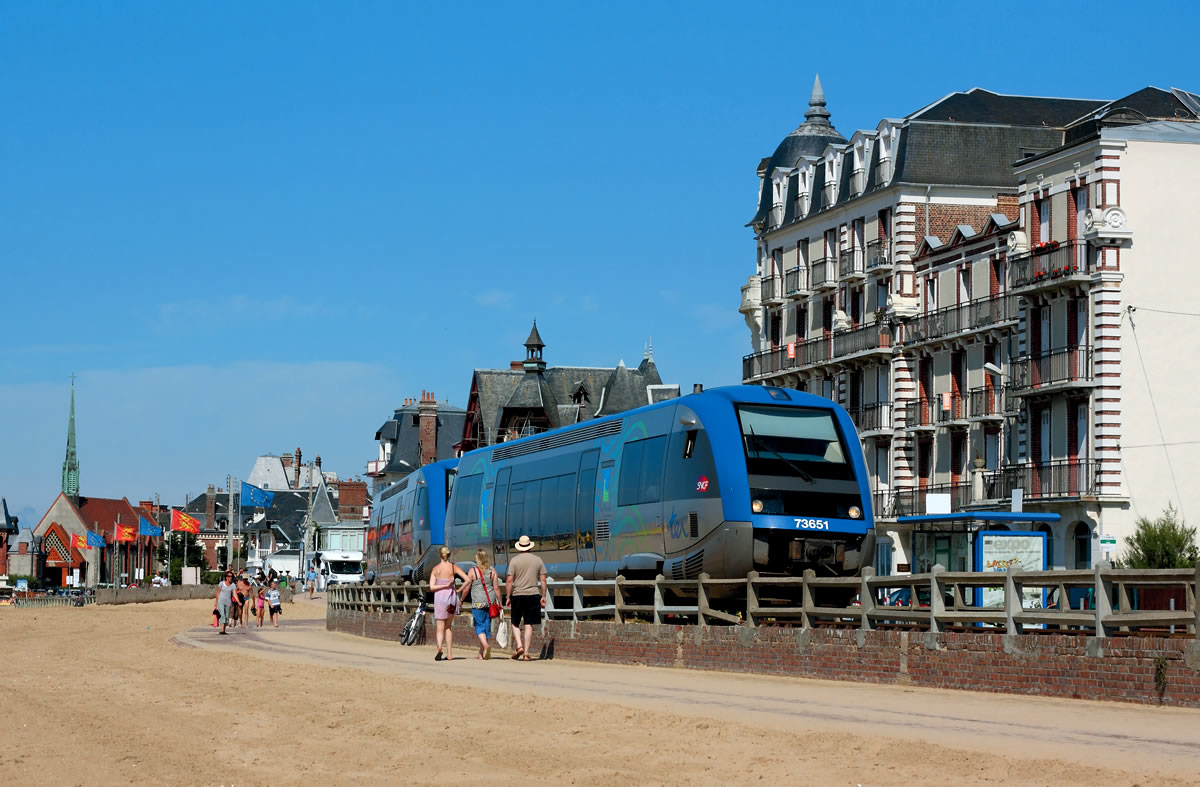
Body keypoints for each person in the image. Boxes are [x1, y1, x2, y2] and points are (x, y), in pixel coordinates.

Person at [505, 535, 546, 661]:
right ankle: (526, 653)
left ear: (519, 547)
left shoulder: (514, 561)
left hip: (517, 595)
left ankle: (519, 646)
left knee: (514, 622)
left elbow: (509, 580)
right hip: (533, 594)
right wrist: (543, 595)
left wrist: (507, 596)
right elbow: (543, 580)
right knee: (529, 624)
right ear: (529, 546)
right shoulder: (538, 560)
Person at [457, 549, 503, 660]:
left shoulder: (473, 571)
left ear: (477, 559)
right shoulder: (492, 571)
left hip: (478, 602)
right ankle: (481, 653)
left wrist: (462, 600)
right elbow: (496, 588)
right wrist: (500, 603)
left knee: (479, 626)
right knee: (486, 626)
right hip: (490, 602)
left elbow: (466, 589)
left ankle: (486, 647)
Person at [429, 546, 469, 661]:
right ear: (449, 555)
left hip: (440, 599)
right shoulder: (453, 567)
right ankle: (450, 654)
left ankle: (439, 647)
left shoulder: (435, 569)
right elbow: (468, 580)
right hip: (451, 598)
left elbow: (432, 587)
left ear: (439, 555)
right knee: (448, 627)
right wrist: (459, 590)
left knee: (440, 627)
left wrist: (444, 585)